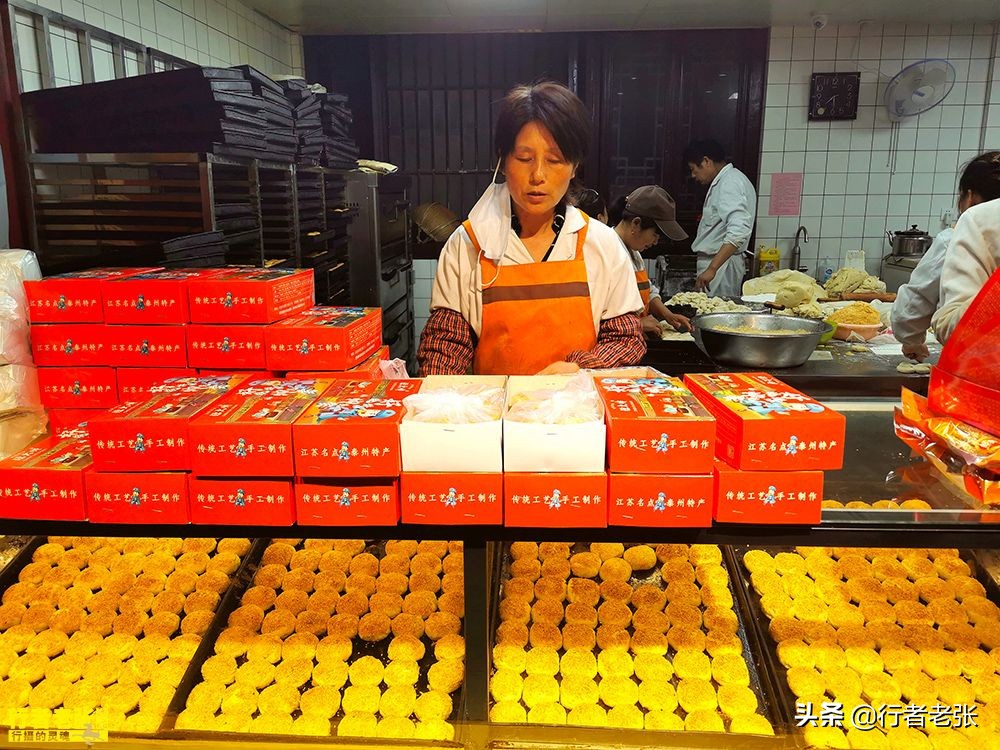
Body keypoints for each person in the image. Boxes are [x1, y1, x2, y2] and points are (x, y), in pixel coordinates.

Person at [417, 81, 645, 376]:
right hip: (496, 417)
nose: (538, 175)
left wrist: (578, 368)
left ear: (575, 166)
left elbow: (625, 340)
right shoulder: (469, 243)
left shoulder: (602, 244)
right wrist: (446, 405)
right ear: (502, 159)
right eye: (524, 158)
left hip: (576, 414)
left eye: (555, 160)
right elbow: (446, 344)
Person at [892, 151, 1000, 359]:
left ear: (969, 197)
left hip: (976, 367)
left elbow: (915, 301)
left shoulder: (960, 234)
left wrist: (911, 340)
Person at [607, 186, 693, 336]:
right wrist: (638, 324)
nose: (655, 242)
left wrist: (667, 315)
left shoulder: (634, 252)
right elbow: (594, 313)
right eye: (655, 235)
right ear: (636, 223)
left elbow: (646, 289)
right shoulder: (606, 251)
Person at [683, 139, 756, 297]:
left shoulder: (729, 183)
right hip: (718, 264)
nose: (693, 175)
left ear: (706, 161)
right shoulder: (726, 181)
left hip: (721, 267)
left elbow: (739, 231)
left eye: (694, 169)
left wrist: (712, 269)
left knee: (716, 315)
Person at [932, 194, 1000, 344]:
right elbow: (950, 327)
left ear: (968, 196)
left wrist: (911, 338)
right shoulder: (981, 222)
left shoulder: (979, 220)